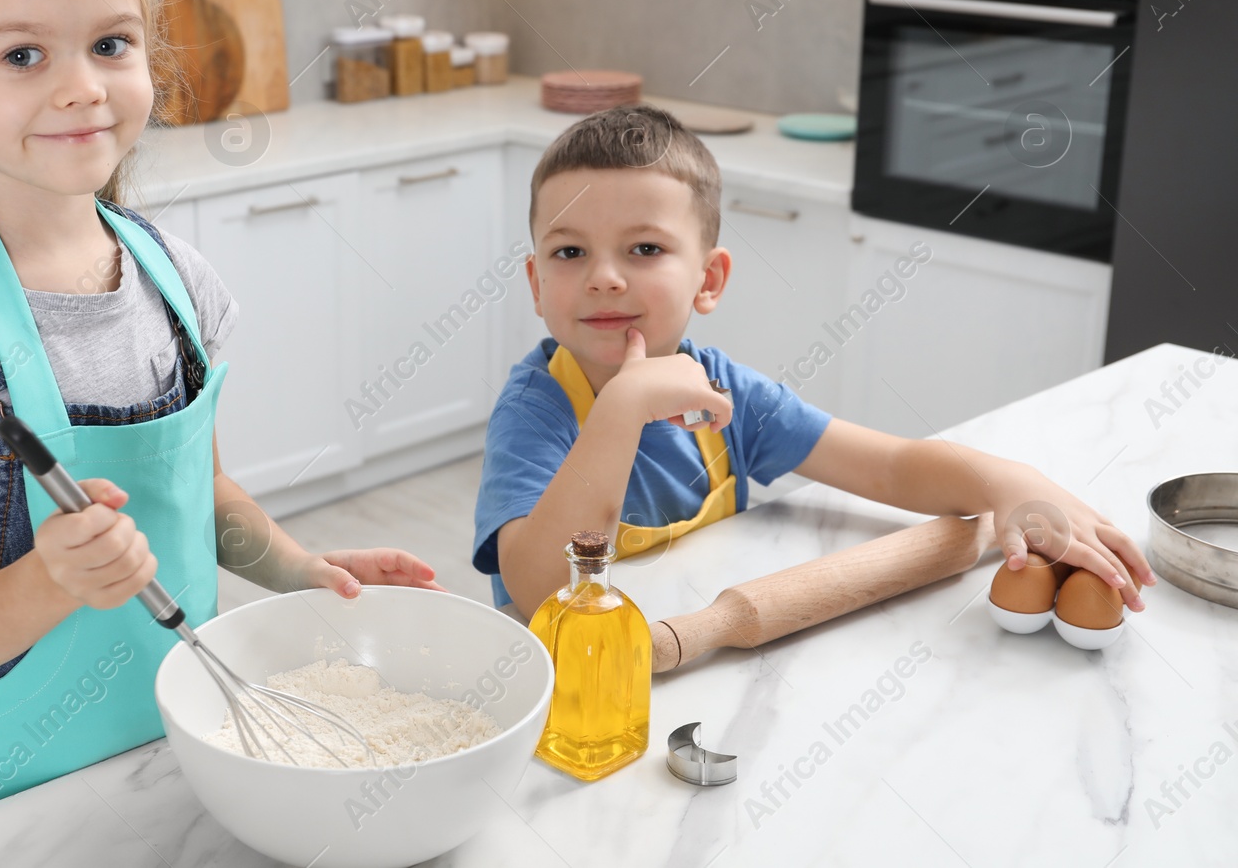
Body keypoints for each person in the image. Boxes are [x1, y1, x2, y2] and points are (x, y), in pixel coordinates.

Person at [0, 0, 441, 829]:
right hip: (19, 805)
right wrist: (49, 578)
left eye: (110, 43)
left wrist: (299, 566)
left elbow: (195, 493)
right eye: (23, 55)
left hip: (192, 746)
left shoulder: (172, 277)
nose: (82, 88)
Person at [471, 104, 1156, 618]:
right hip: (563, 689)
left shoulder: (728, 393)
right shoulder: (535, 411)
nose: (605, 278)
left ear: (709, 279)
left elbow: (887, 465)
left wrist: (1009, 481)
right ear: (536, 284)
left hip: (681, 649)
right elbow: (538, 592)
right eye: (570, 252)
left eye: (644, 249)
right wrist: (623, 407)